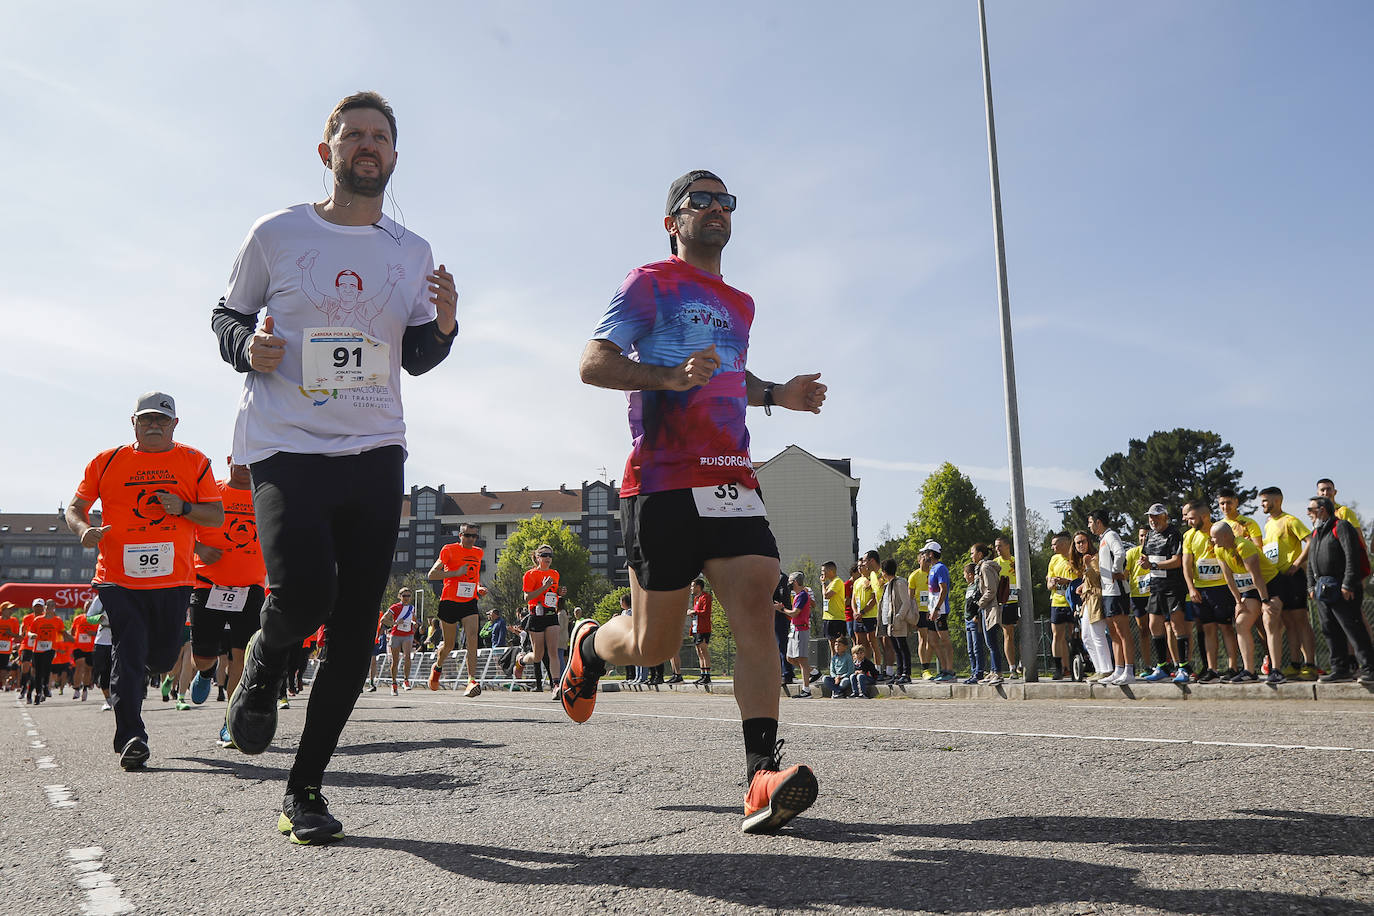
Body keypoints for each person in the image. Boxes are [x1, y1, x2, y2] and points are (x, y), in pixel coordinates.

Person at [213, 91, 458, 844]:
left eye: (380, 136)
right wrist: (242, 347)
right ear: (327, 153)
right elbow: (226, 315)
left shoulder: (410, 252)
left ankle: (305, 789)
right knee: (305, 594)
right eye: (352, 134)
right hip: (287, 443)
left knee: (355, 628)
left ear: (393, 156)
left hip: (376, 448)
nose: (366, 145)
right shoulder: (276, 233)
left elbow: (415, 357)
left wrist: (446, 325)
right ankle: (266, 654)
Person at [565, 168, 826, 833]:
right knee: (654, 646)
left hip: (731, 479)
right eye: (700, 200)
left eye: (725, 201)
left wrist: (778, 396)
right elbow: (594, 363)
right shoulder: (648, 283)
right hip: (661, 478)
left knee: (755, 602)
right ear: (672, 221)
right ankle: (591, 650)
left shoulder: (741, 303)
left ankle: (759, 778)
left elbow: (732, 379)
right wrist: (668, 376)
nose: (716, 208)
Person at [65, 392, 223, 766]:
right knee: (129, 650)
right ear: (133, 422)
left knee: (165, 654)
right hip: (118, 579)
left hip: (174, 579)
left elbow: (215, 516)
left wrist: (183, 508)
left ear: (174, 424)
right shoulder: (107, 461)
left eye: (162, 420)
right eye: (147, 419)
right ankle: (132, 736)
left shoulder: (194, 461)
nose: (154, 425)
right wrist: (83, 529)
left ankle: (154, 669)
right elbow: (75, 507)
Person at [187, 458, 266, 738]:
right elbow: (180, 526)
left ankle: (231, 723)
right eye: (240, 460)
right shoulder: (211, 492)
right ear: (230, 460)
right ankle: (206, 673)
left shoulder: (264, 496)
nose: (246, 467)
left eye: (251, 460)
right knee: (202, 656)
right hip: (208, 585)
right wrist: (198, 547)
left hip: (250, 589)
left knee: (241, 659)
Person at [1305, 496, 1374, 684]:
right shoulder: (1316, 532)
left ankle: (1369, 668)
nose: (1307, 513)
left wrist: (1348, 584)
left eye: (1310, 510)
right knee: (1329, 630)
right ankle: (1339, 669)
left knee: (1353, 628)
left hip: (1342, 587)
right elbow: (1311, 562)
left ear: (1322, 510)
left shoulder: (1341, 526)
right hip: (1323, 590)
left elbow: (1352, 556)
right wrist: (1311, 585)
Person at [1209, 520, 1279, 682]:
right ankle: (1249, 671)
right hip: (1249, 589)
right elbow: (1229, 578)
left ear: (1226, 536)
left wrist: (1265, 601)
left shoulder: (1244, 546)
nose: (1212, 540)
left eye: (1214, 537)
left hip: (1270, 585)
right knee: (1241, 624)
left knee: (1269, 622)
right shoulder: (1219, 549)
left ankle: (1276, 670)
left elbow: (1257, 576)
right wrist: (1238, 602)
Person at [1259, 487, 1316, 681]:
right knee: (1288, 622)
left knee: (1300, 620)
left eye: (1265, 500)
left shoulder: (1290, 520)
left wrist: (1297, 563)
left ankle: (1310, 664)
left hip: (1294, 577)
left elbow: (1310, 540)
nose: (1262, 504)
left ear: (1277, 500)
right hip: (1277, 579)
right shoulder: (1267, 524)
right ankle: (1294, 663)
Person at [1181, 500, 1239, 683]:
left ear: (1204, 517)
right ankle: (1212, 669)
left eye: (1192, 518)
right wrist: (1191, 588)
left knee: (1226, 627)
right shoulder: (1189, 536)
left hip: (1222, 587)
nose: (1189, 522)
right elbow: (1186, 564)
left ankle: (1233, 667)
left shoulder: (1220, 529)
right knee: (1208, 629)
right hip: (1202, 589)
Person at [1139, 504, 1192, 684]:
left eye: (1156, 517)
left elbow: (1177, 561)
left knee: (1177, 625)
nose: (1153, 520)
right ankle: (1162, 665)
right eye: (1150, 517)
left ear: (1165, 517)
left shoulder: (1174, 534)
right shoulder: (1149, 536)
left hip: (1173, 586)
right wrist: (1144, 561)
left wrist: (1153, 565)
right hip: (1156, 586)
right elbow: (1146, 556)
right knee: (1154, 625)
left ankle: (1183, 667)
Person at [1088, 512, 1134, 686]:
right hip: (1106, 592)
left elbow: (1120, 553)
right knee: (1113, 633)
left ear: (1098, 522)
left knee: (1123, 632)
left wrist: (1116, 570)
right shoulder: (1103, 539)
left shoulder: (1111, 535)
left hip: (1117, 591)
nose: (1089, 526)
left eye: (1090, 522)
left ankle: (1129, 670)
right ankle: (1118, 669)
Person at [521, 546, 564, 693]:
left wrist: (559, 592)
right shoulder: (530, 574)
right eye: (544, 555)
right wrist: (544, 587)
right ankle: (521, 660)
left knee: (553, 651)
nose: (548, 558)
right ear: (538, 557)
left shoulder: (555, 574)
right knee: (538, 655)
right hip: (536, 615)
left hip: (551, 615)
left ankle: (556, 685)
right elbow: (527, 597)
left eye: (550, 555)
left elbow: (554, 593)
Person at [1072, 531, 1112, 682]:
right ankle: (1099, 668)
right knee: (1087, 637)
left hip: (1096, 598)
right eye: (1078, 543)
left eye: (1083, 541)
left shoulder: (1095, 557)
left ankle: (1106, 669)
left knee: (1098, 634)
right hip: (1088, 600)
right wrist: (1083, 585)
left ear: (1089, 541)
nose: (1081, 545)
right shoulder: (1085, 559)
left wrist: (1088, 567)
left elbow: (1099, 578)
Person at [921, 542, 957, 682]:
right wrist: (930, 609)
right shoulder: (932, 569)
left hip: (940, 611)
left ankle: (950, 671)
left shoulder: (940, 568)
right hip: (933, 611)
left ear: (931, 554)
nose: (923, 556)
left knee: (945, 641)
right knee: (933, 640)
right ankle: (943, 669)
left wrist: (936, 609)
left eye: (925, 553)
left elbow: (943, 590)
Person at [1045, 533, 1078, 680]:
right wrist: (1051, 584)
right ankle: (1059, 668)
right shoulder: (1054, 559)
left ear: (1064, 544)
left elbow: (1082, 578)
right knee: (1057, 636)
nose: (1052, 547)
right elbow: (1049, 581)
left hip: (1073, 602)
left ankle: (1075, 666)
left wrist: (1067, 581)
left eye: (1055, 544)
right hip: (1057, 602)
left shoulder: (1076, 557)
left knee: (1074, 635)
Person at [971, 544, 1004, 685]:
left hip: (991, 608)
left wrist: (980, 603)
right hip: (987, 608)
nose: (971, 556)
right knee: (989, 642)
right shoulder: (981, 568)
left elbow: (991, 590)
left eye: (973, 553)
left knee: (992, 643)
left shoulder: (985, 568)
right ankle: (992, 671)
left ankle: (998, 672)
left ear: (979, 554)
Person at [879, 559, 915, 685]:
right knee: (896, 648)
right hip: (890, 621)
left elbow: (906, 602)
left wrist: (899, 616)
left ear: (884, 571)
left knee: (902, 646)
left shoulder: (899, 583)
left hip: (898, 620)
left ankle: (906, 673)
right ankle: (899, 672)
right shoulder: (888, 584)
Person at [993, 536, 1021, 678]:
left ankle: (1024, 662)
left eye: (1000, 546)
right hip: (1005, 603)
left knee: (1024, 633)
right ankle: (1012, 668)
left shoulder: (1016, 561)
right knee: (1008, 634)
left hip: (1019, 601)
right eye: (996, 546)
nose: (997, 549)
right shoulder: (995, 563)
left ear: (1007, 546)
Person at [385, 588, 419, 695]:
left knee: (407, 657)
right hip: (396, 635)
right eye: (404, 596)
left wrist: (415, 624)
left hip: (408, 635)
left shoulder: (411, 608)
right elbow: (383, 620)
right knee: (395, 661)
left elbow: (413, 619)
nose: (407, 598)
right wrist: (395, 622)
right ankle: (394, 684)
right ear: (400, 596)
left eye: (408, 596)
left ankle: (406, 680)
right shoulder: (394, 607)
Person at [71, 601, 99, 701]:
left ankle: (85, 689)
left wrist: (93, 633)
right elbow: (72, 631)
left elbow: (100, 633)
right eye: (86, 606)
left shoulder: (96, 619)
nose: (87, 608)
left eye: (90, 606)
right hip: (78, 646)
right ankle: (76, 689)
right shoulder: (78, 618)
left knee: (88, 669)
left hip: (91, 647)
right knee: (79, 666)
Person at [688, 578, 713, 685]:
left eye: (693, 586)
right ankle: (702, 674)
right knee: (699, 652)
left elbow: (706, 612)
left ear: (698, 587)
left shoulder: (706, 597)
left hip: (703, 628)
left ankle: (707, 676)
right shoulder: (696, 599)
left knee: (703, 651)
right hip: (696, 628)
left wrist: (694, 611)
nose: (691, 589)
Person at [820, 561, 848, 641]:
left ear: (831, 571)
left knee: (837, 644)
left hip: (836, 619)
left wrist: (823, 583)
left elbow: (826, 595)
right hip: (828, 617)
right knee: (831, 645)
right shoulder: (831, 583)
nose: (822, 574)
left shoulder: (837, 581)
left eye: (823, 571)